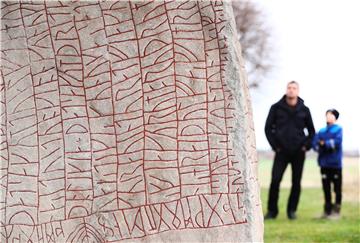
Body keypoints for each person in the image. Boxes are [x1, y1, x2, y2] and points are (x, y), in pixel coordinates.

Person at [264, 81, 315, 220]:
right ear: (286, 90)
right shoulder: (276, 108)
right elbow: (268, 129)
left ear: (298, 91)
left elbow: (311, 131)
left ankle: (292, 211)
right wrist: (275, 146)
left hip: (299, 152)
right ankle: (272, 211)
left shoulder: (305, 110)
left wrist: (306, 146)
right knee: (275, 180)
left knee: (296, 182)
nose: (291, 90)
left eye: (294, 88)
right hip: (281, 152)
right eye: (289, 88)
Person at [312, 109, 343, 219]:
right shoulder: (321, 131)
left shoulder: (338, 129)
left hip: (335, 164)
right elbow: (315, 144)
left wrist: (323, 144)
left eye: (331, 115)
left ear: (335, 118)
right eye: (327, 115)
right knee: (326, 188)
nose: (328, 117)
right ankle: (327, 210)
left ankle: (336, 211)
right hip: (324, 164)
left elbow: (336, 143)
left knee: (337, 188)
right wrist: (321, 145)